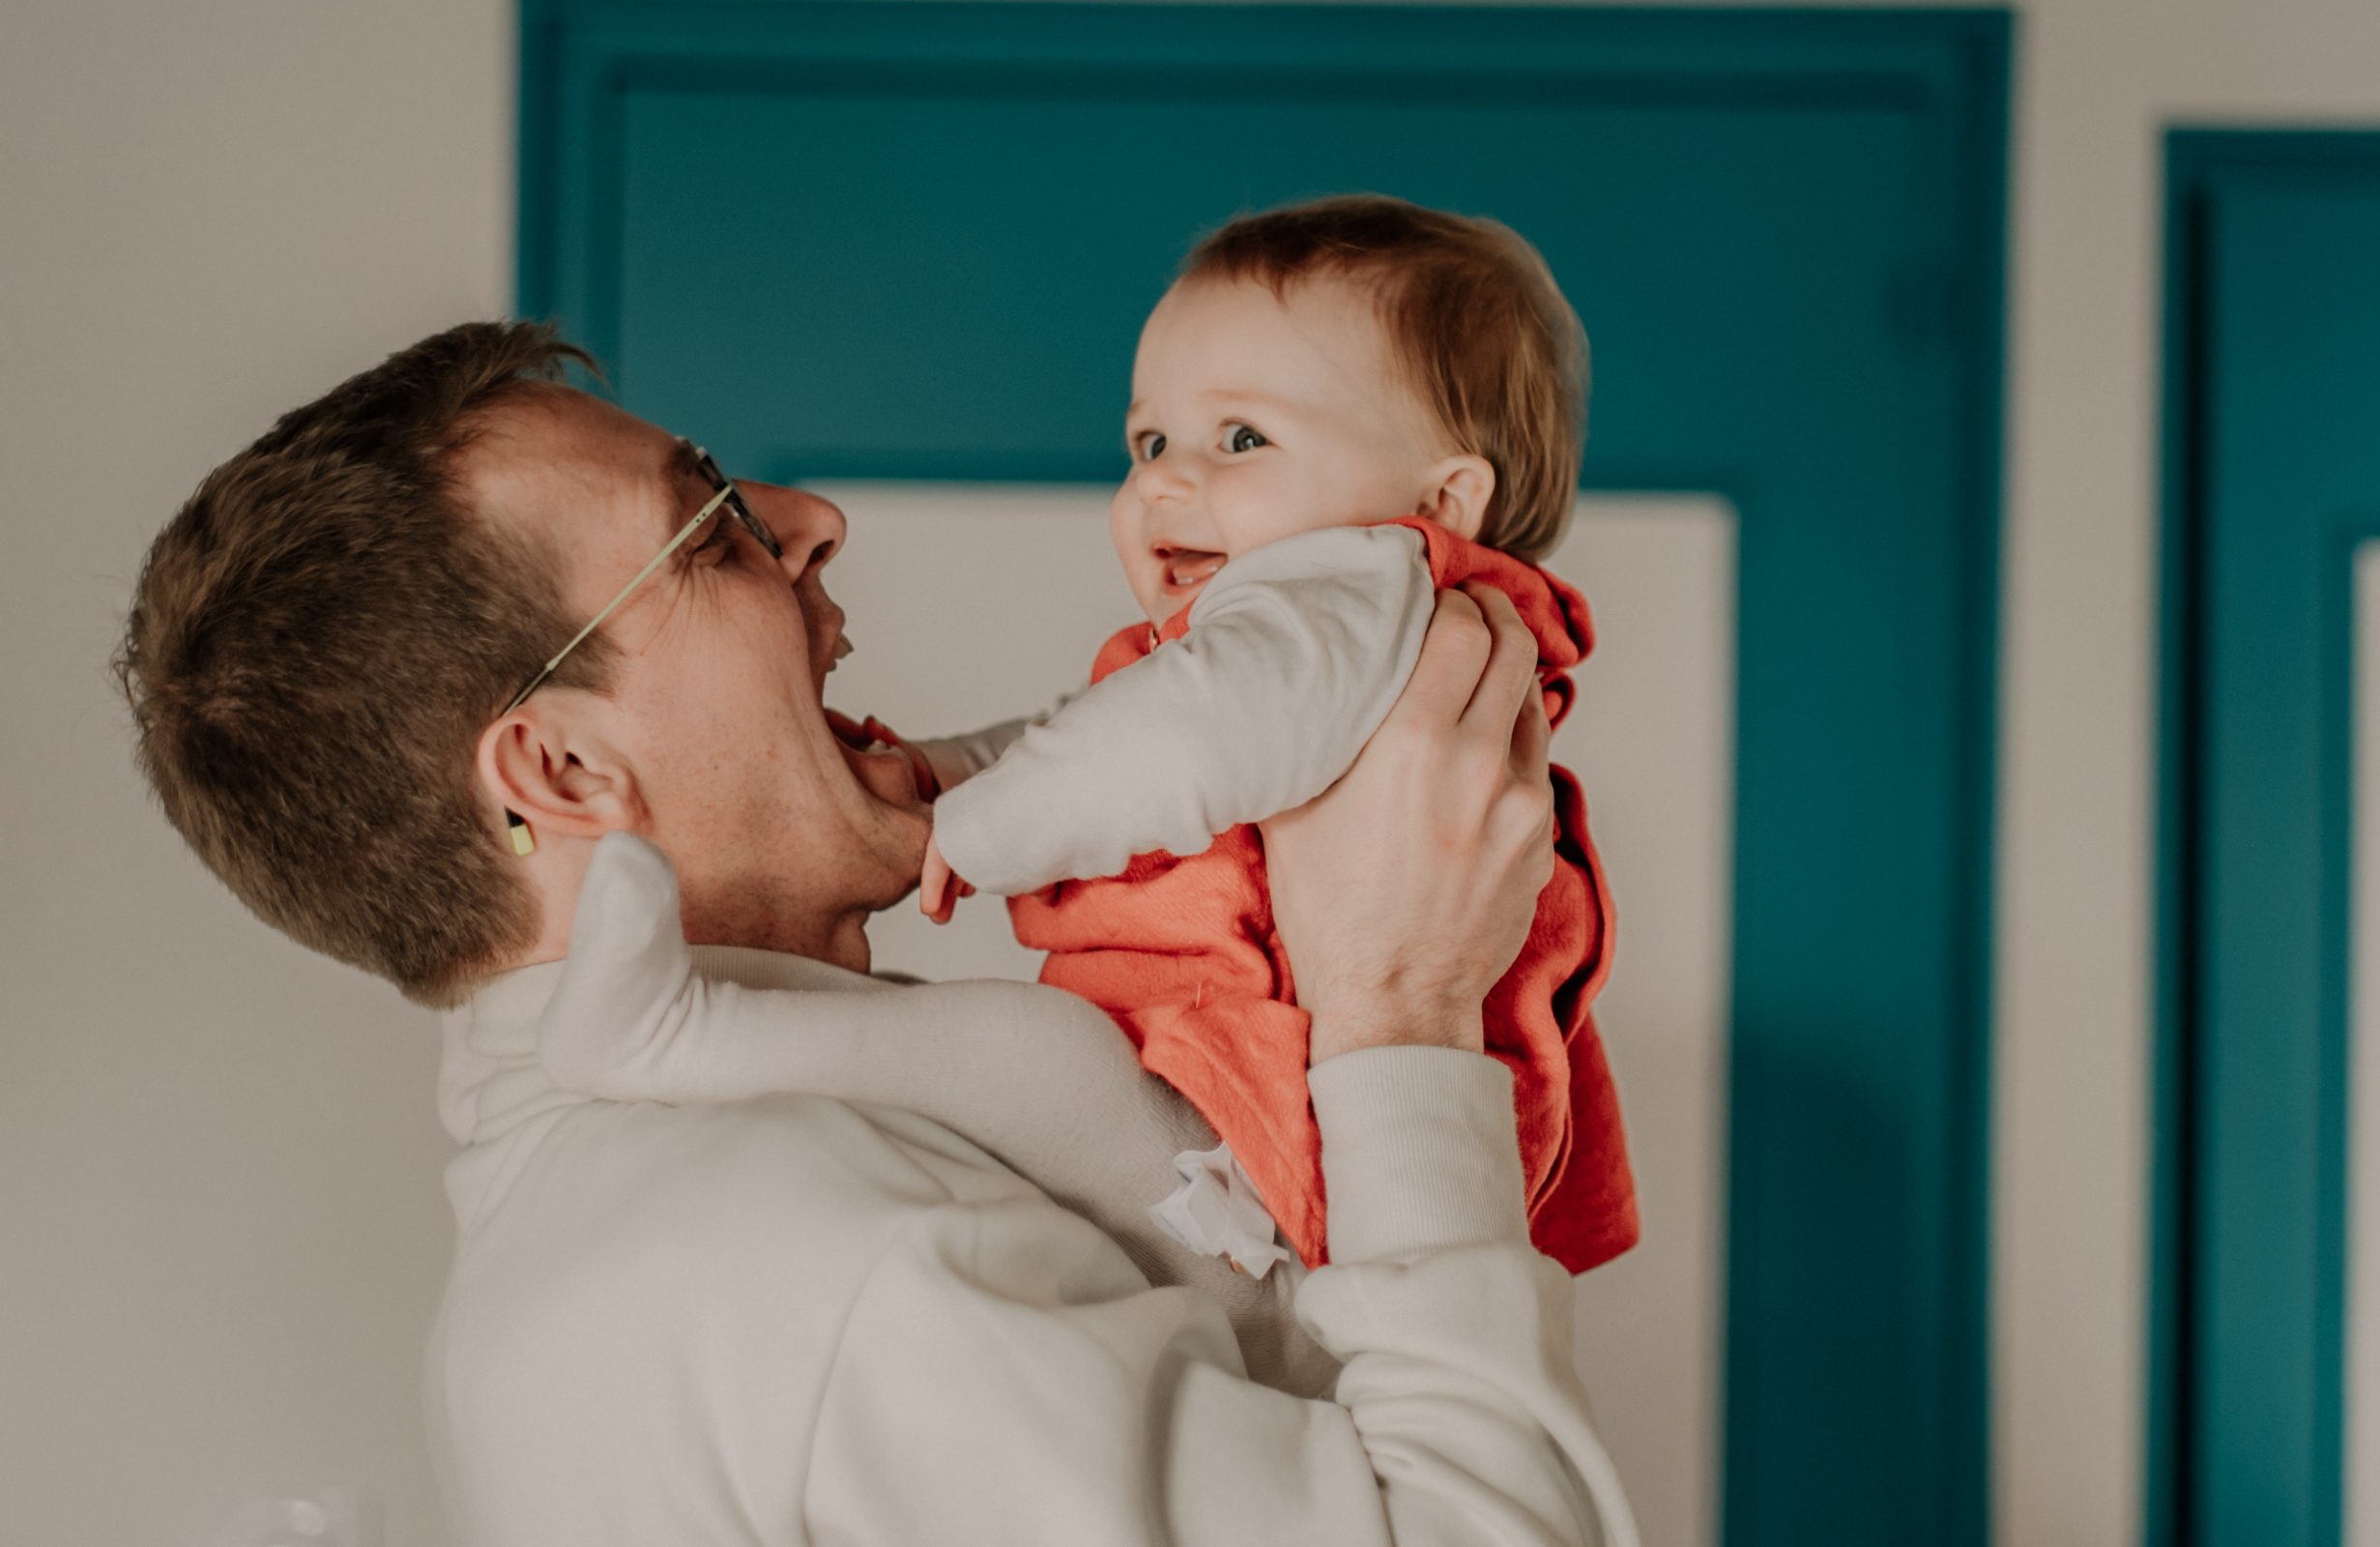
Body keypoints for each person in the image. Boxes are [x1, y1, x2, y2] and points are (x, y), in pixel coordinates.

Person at [116, 321, 1640, 1544]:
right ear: (563, 771)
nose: (809, 521)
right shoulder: (817, 1255)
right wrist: (1403, 1009)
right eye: (710, 526)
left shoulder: (635, 1209)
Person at [548, 196, 1640, 1284]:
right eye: (1148, 439)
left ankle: (683, 1040)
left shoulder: (1356, 588)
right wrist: (945, 774)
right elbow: (1109, 731)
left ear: (1439, 499)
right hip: (1283, 1106)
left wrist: (979, 831)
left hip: (1286, 1111)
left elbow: (1181, 744)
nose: (1163, 479)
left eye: (1242, 439)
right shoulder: (1307, 640)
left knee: (1025, 1055)